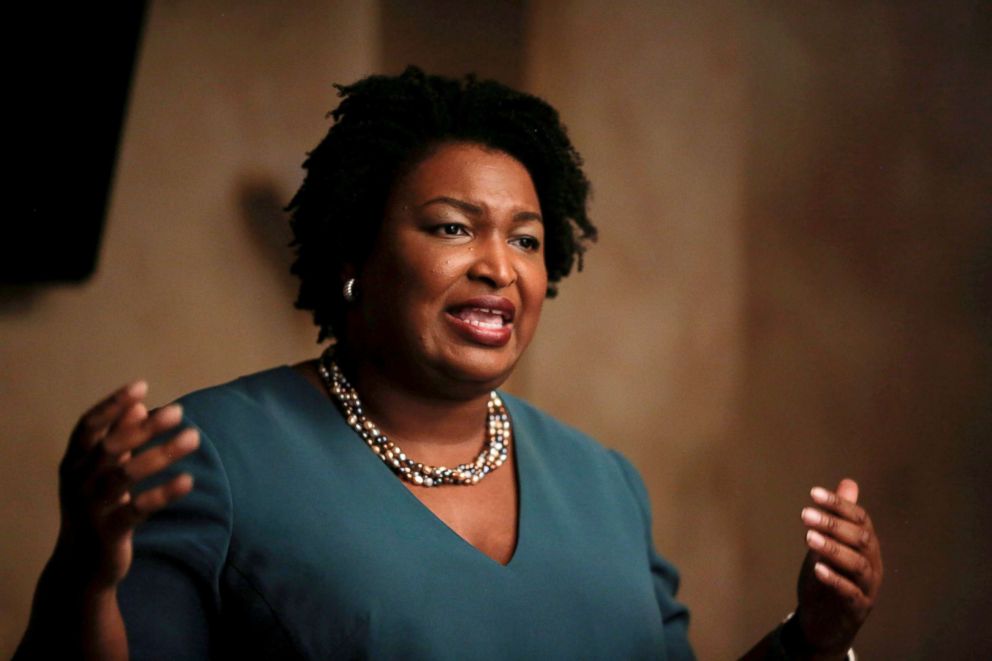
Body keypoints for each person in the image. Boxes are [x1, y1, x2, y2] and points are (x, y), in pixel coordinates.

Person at [16, 67, 882, 660]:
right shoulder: (213, 453)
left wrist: (812, 636)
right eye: (452, 227)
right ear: (356, 254)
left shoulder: (605, 485)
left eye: (528, 240)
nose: (498, 267)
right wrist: (83, 576)